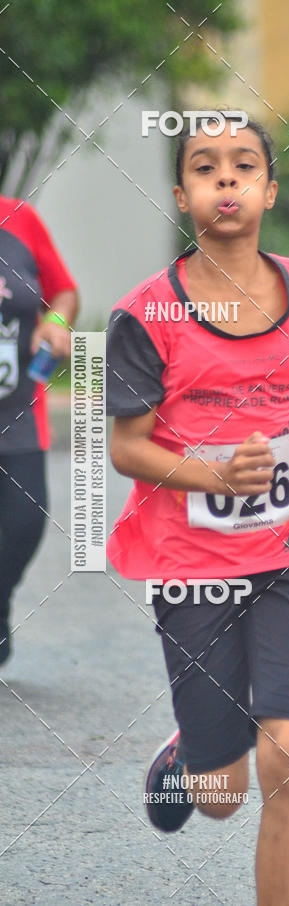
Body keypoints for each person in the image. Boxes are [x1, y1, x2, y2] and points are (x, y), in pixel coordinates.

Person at [105, 112, 289, 906]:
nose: (227, 179)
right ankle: (192, 753)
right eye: (206, 167)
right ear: (183, 195)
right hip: (192, 569)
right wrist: (215, 475)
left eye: (244, 165)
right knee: (221, 795)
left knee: (287, 750)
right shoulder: (144, 314)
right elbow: (127, 447)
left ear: (269, 190)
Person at [0, 197, 79, 665]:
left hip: (18, 417)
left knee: (25, 522)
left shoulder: (19, 219)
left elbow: (65, 292)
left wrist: (55, 321)